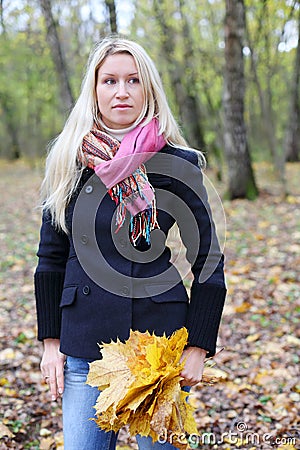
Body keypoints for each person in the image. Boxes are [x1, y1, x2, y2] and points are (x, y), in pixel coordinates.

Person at [34, 36, 226, 450]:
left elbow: (208, 258)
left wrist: (198, 345)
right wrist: (51, 343)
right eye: (110, 81)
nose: (121, 91)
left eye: (133, 80)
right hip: (85, 346)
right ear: (95, 90)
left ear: (149, 89)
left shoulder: (179, 164)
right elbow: (50, 258)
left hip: (159, 348)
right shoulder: (68, 163)